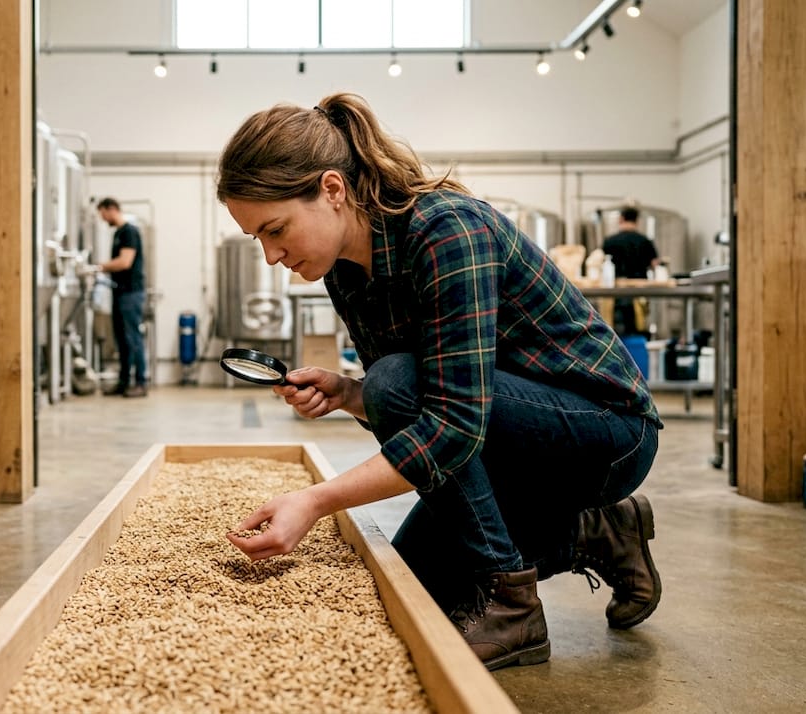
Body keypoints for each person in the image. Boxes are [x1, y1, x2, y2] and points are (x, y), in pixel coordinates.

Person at [216, 93, 662, 671]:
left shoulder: (447, 231)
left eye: (276, 229)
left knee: (392, 382)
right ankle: (595, 532)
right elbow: (422, 402)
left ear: (331, 190)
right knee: (416, 585)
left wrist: (316, 501)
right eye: (259, 240)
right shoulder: (347, 273)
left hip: (604, 432)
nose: (273, 255)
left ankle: (513, 602)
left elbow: (450, 423)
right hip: (502, 434)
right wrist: (347, 394)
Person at [96, 197, 148, 398]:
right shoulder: (118, 233)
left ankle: (141, 383)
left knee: (133, 338)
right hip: (120, 292)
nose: (102, 219)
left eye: (103, 214)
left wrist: (100, 267)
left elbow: (125, 262)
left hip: (131, 293)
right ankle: (124, 381)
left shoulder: (129, 231)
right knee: (122, 340)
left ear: (111, 209)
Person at [601, 206, 659, 336]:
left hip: (615, 294)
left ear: (621, 219)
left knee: (616, 333)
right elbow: (655, 264)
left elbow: (601, 264)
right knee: (638, 330)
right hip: (639, 293)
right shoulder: (645, 241)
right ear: (637, 221)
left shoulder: (610, 241)